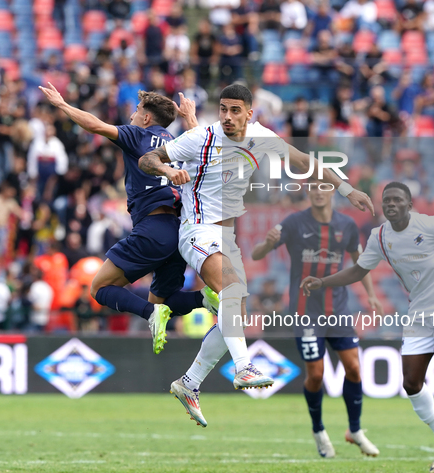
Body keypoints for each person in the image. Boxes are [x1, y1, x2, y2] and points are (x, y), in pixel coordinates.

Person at [138, 83, 375, 427]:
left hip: (226, 237)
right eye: (223, 109)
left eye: (236, 111)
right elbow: (148, 159)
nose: (228, 117)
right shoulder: (201, 136)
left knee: (234, 312)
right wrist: (168, 170)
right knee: (232, 293)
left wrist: (347, 189)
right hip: (197, 230)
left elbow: (304, 162)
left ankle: (188, 383)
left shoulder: (262, 137)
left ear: (250, 113)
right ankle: (244, 367)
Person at [301, 182, 434, 473]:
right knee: (410, 383)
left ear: (409, 205)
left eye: (397, 200)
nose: (391, 205)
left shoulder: (432, 225)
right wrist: (323, 282)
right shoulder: (380, 236)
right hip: (418, 314)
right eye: (386, 201)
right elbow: (359, 270)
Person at [39, 83, 218, 354]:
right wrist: (189, 117)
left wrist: (62, 105)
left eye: (136, 111)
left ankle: (149, 314)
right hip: (180, 232)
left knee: (100, 287)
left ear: (147, 118)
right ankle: (204, 299)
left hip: (153, 228)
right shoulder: (180, 144)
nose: (132, 116)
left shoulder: (137, 135)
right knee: (165, 300)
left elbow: (96, 125)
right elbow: (200, 144)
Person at [251, 177, 381, 458]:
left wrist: (370, 294)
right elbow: (256, 253)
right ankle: (319, 429)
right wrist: (267, 243)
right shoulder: (294, 222)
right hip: (304, 312)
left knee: (354, 368)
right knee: (317, 374)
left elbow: (360, 263)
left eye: (324, 186)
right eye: (312, 187)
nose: (318, 192)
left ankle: (355, 430)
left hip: (338, 309)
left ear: (332, 191)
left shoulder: (346, 225)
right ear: (307, 191)